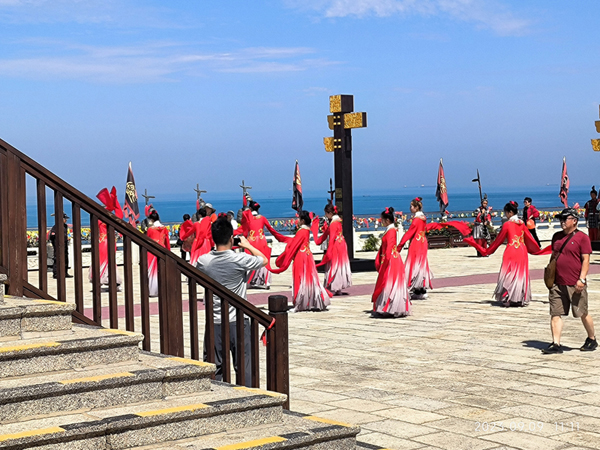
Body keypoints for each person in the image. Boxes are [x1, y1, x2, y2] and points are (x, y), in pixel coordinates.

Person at [196, 216, 267, 384]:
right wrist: (247, 245)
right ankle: (246, 396)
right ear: (231, 238)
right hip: (239, 320)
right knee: (244, 366)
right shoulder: (239, 259)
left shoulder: (204, 261)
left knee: (214, 367)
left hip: (215, 321)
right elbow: (263, 259)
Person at [466, 201, 550, 307]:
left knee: (509, 274)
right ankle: (518, 298)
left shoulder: (507, 224)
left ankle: (508, 297)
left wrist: (488, 250)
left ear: (510, 212)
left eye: (506, 213)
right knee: (520, 274)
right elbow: (529, 239)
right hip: (522, 251)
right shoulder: (522, 224)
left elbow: (498, 240)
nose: (506, 215)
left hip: (511, 250)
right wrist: (537, 250)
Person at [542, 207, 597, 354]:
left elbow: (586, 260)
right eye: (561, 219)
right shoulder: (556, 237)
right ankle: (556, 343)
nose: (562, 222)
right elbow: (553, 256)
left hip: (575, 282)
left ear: (574, 221)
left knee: (582, 312)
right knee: (555, 313)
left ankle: (592, 338)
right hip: (557, 282)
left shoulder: (582, 238)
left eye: (565, 219)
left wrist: (582, 279)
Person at [271, 211, 331, 311]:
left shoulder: (301, 231)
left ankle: (299, 303)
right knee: (309, 278)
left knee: (300, 279)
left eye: (299, 219)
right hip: (307, 255)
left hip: (301, 256)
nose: (297, 220)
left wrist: (284, 257)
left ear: (302, 221)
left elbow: (293, 246)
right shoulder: (306, 231)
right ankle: (311, 300)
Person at [371, 207, 411, 317]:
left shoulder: (391, 230)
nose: (381, 222)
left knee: (389, 282)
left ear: (387, 220)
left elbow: (389, 247)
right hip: (390, 258)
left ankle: (390, 307)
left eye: (382, 220)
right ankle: (386, 306)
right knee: (387, 282)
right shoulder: (390, 229)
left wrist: (385, 261)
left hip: (391, 260)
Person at [238, 200, 287, 289]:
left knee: (250, 261)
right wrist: (281, 238)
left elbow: (243, 229)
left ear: (250, 208)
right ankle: (266, 282)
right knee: (265, 260)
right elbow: (271, 230)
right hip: (261, 240)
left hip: (252, 241)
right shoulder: (262, 218)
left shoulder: (248, 218)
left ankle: (248, 281)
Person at [311, 204, 352, 294]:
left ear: (330, 213)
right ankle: (338, 287)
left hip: (336, 245)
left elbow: (332, 237)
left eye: (326, 214)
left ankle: (334, 286)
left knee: (334, 265)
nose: (326, 216)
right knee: (339, 265)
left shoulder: (333, 224)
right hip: (341, 244)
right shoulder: (338, 222)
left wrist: (329, 250)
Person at [398, 197, 433, 300]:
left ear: (416, 207)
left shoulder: (416, 220)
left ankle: (417, 288)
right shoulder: (423, 218)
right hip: (422, 241)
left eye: (411, 206)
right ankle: (420, 289)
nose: (410, 208)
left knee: (413, 264)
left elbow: (410, 233)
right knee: (421, 264)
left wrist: (400, 245)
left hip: (416, 243)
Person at [146, 210, 171, 297]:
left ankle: (152, 290)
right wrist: (168, 251)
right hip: (162, 249)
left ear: (152, 219)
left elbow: (147, 241)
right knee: (161, 269)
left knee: (152, 271)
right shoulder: (164, 228)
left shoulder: (150, 229)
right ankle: (162, 289)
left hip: (152, 251)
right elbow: (167, 241)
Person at [49, 213, 72, 279]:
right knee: (57, 258)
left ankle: (65, 272)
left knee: (65, 258)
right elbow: (52, 236)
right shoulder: (55, 227)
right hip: (58, 245)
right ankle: (56, 273)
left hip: (65, 244)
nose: (66, 220)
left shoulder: (65, 226)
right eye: (65, 219)